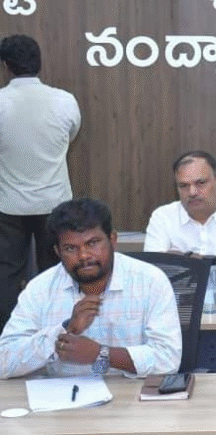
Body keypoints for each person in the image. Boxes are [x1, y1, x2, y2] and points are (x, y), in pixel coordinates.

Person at [0, 198, 180, 378]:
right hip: (63, 393)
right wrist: (64, 330)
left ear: (113, 240)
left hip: (131, 394)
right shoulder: (40, 289)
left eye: (92, 243)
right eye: (70, 248)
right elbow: (3, 362)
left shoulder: (150, 281)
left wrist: (101, 354)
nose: (83, 255)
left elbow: (169, 359)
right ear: (58, 252)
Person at [0, 34, 82, 329]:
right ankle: (56, 332)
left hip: (8, 205)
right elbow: (70, 136)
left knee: (7, 273)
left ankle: (8, 338)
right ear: (39, 63)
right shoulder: (64, 101)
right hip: (54, 203)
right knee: (56, 271)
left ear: (6, 66)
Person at [144, 151, 216, 289]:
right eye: (184, 186)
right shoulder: (162, 217)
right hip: (182, 301)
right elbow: (155, 271)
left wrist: (183, 259)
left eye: (200, 183)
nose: (192, 192)